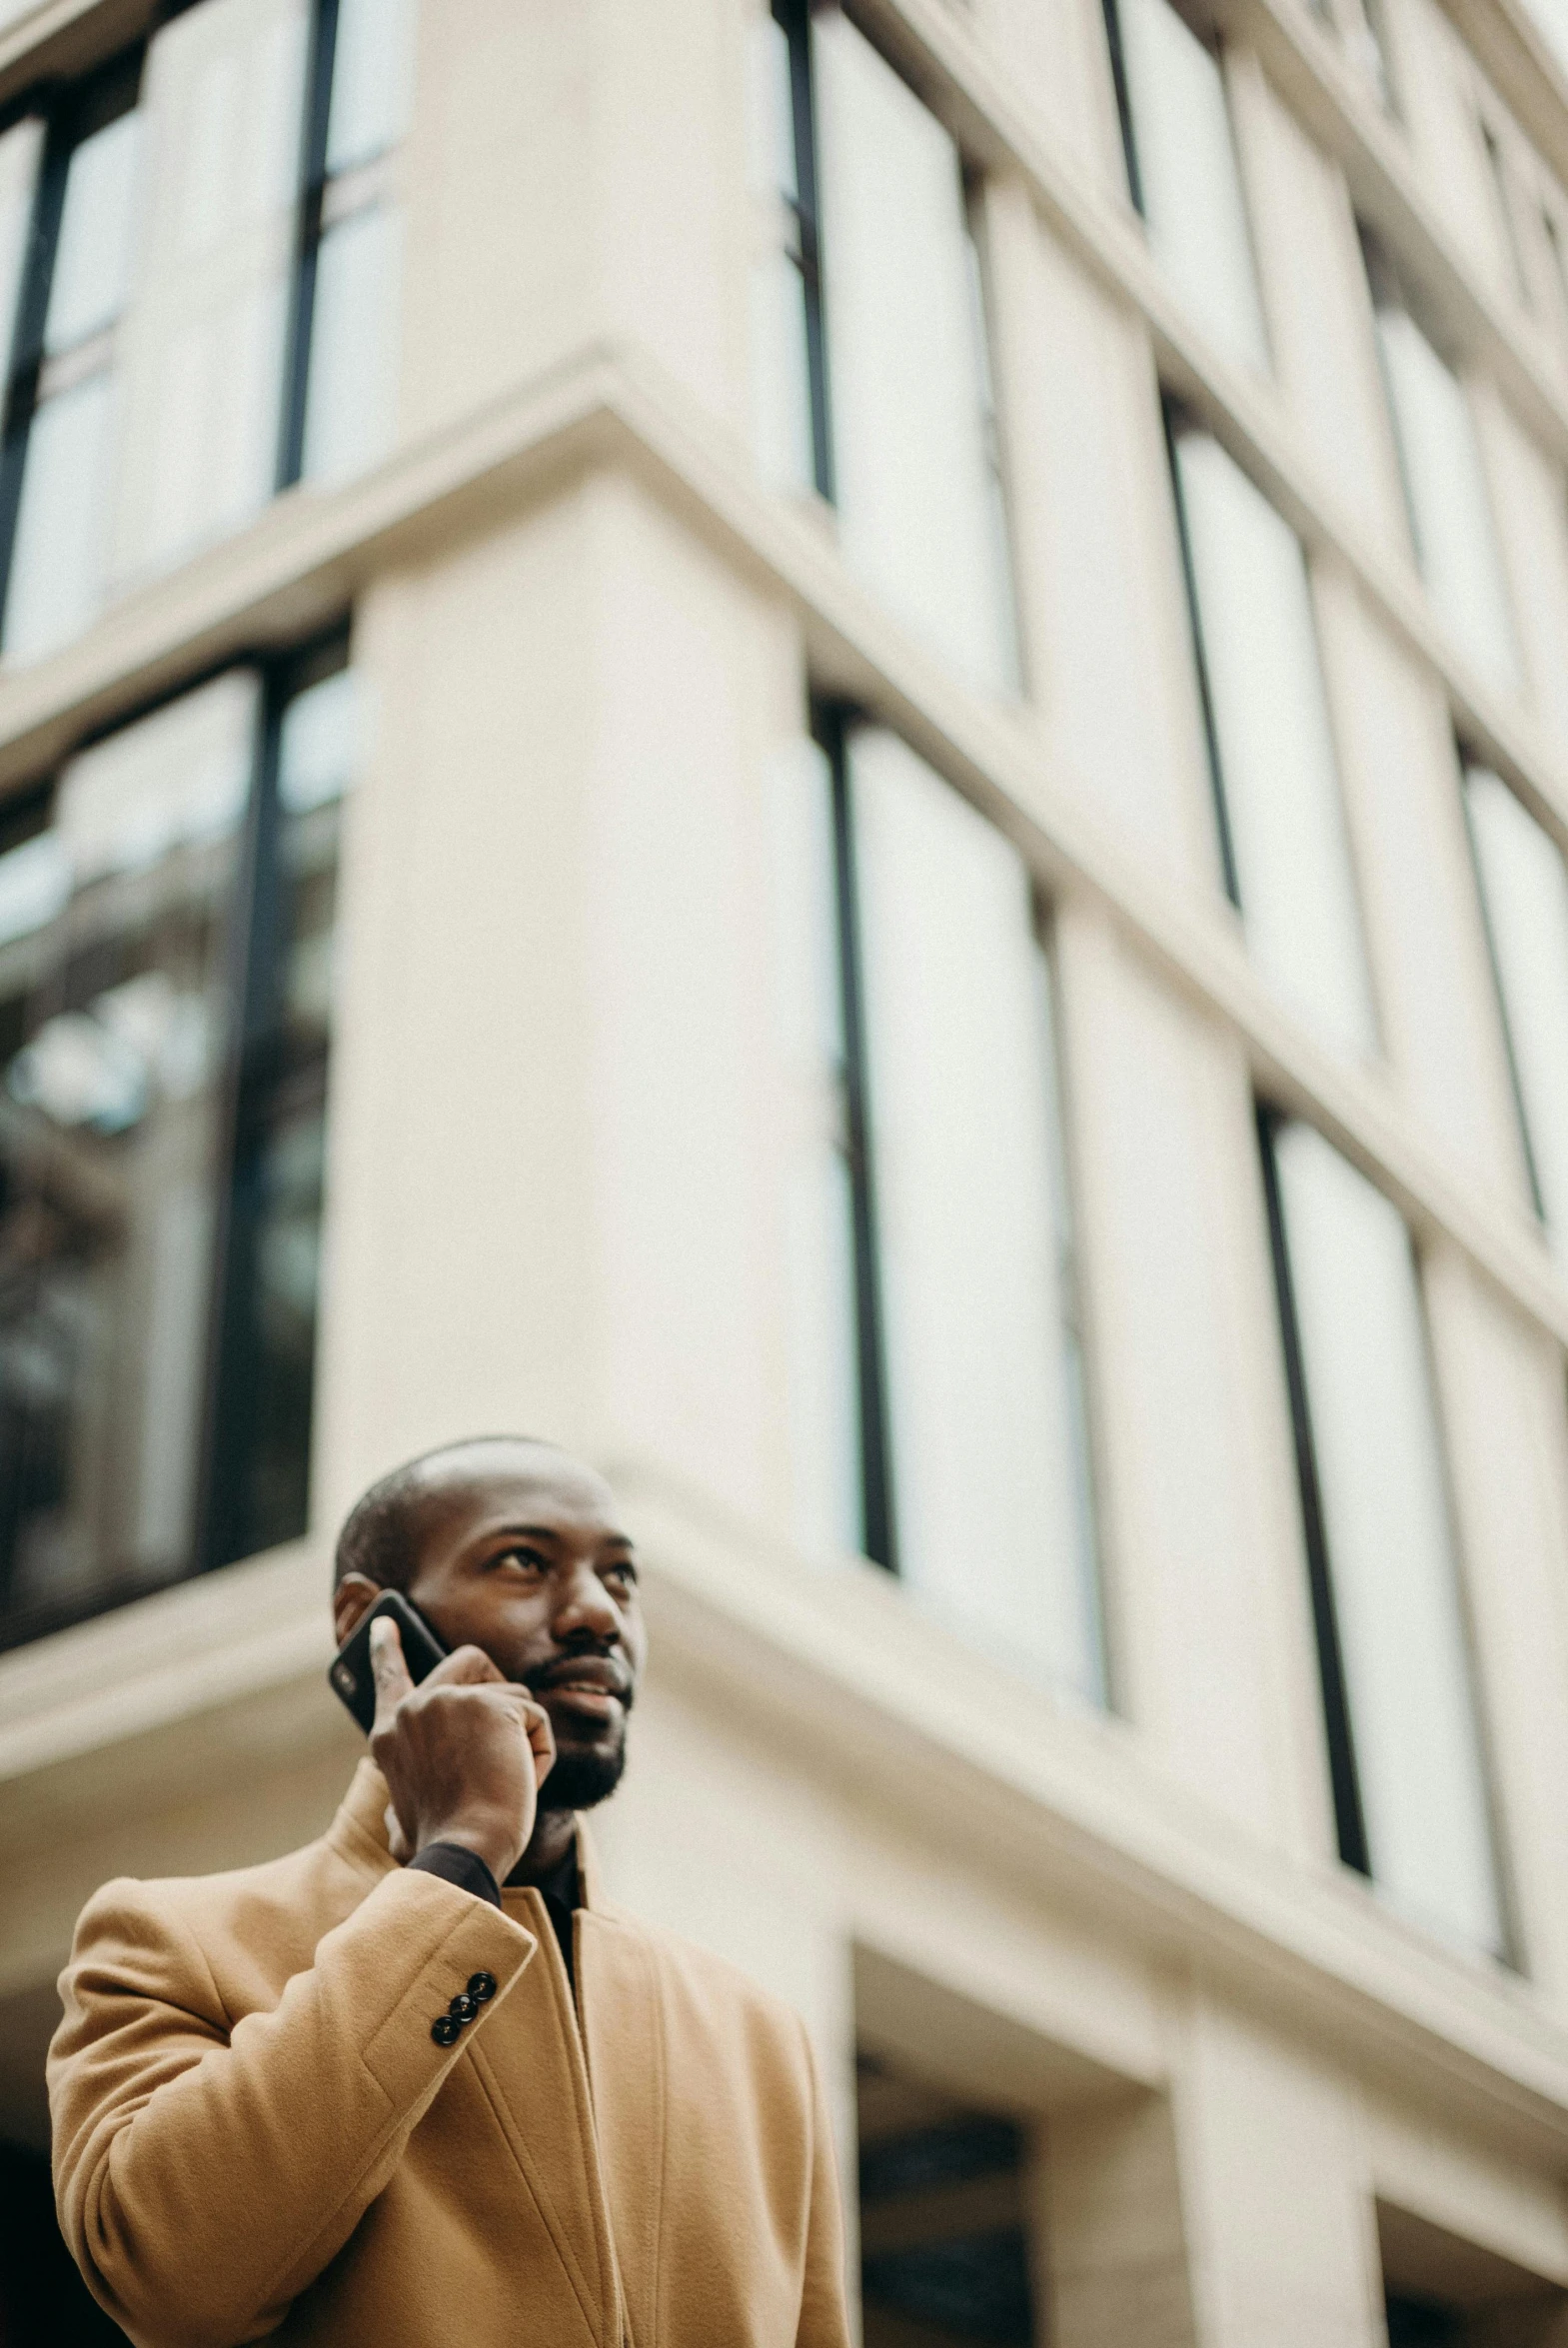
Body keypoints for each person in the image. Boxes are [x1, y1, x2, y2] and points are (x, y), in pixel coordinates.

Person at [48, 1436, 851, 2348]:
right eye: (524, 1561)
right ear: (369, 1625)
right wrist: (461, 1858)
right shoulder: (166, 1940)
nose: (598, 1612)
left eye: (622, 1579)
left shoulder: (758, 2035)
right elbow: (174, 2280)